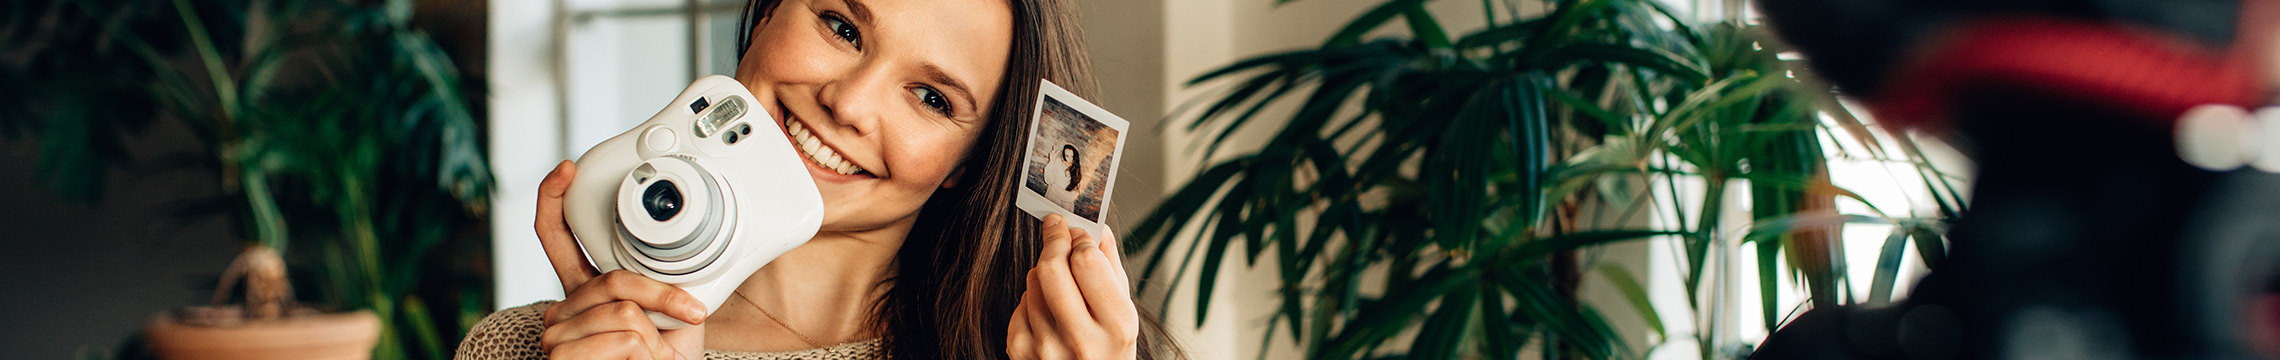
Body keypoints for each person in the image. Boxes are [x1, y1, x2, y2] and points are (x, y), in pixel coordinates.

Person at [453, 0, 1180, 359]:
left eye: (932, 98)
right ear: (768, 12)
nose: (849, 103)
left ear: (967, 163)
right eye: (841, 26)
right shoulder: (515, 349)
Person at [1044, 144, 1082, 209]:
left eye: (1072, 156)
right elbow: (1048, 180)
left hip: (1065, 205)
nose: (1070, 159)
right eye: (1067, 156)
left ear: (1075, 157)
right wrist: (1051, 161)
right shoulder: (1058, 163)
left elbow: (1074, 195)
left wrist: (1056, 187)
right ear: (1064, 155)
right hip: (1053, 199)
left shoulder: (1077, 171)